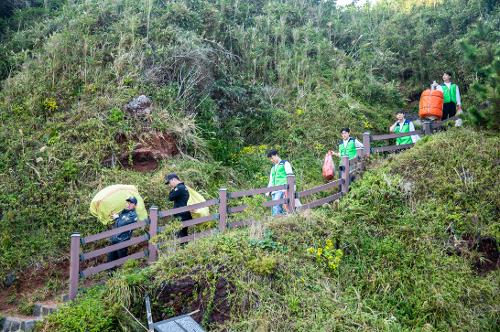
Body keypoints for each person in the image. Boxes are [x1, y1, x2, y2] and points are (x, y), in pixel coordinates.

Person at [108, 197, 138, 262]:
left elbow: (122, 224)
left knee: (122, 260)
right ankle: (111, 271)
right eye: (128, 202)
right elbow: (116, 224)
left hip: (123, 241)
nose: (128, 204)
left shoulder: (133, 215)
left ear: (135, 205)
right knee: (110, 259)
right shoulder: (122, 213)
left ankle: (126, 271)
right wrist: (114, 217)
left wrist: (117, 218)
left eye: (131, 203)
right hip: (114, 239)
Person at [266, 149, 293, 216]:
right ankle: (279, 222)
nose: (271, 160)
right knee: (275, 207)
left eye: (272, 158)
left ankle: (277, 221)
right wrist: (268, 191)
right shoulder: (273, 168)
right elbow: (271, 180)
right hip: (274, 191)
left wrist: (289, 189)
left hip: (282, 189)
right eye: (270, 159)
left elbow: (290, 176)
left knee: (276, 206)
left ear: (276, 155)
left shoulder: (285, 163)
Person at [165, 173, 191, 238]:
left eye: (169, 182)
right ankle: (185, 246)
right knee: (183, 232)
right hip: (185, 213)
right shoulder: (184, 187)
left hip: (181, 215)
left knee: (180, 233)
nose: (169, 185)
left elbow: (170, 197)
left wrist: (172, 189)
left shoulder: (179, 188)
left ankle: (183, 246)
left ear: (174, 180)